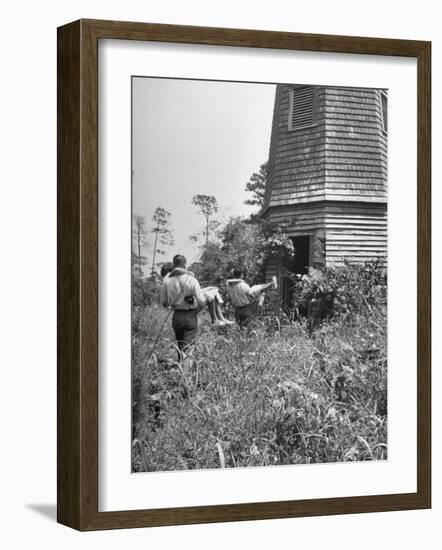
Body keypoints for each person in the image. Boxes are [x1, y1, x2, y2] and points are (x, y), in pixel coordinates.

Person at [160, 255, 206, 360]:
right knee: (188, 348)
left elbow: (163, 303)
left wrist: (174, 304)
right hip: (190, 315)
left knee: (180, 345)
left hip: (176, 316)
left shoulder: (167, 281)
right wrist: (196, 310)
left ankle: (180, 369)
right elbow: (202, 301)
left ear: (174, 264)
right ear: (185, 265)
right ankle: (185, 374)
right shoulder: (192, 279)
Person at [161, 263, 233, 327]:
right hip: (188, 306)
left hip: (178, 309)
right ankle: (216, 319)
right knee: (212, 293)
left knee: (212, 291)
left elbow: (164, 302)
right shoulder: (175, 278)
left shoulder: (168, 279)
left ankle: (219, 319)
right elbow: (200, 299)